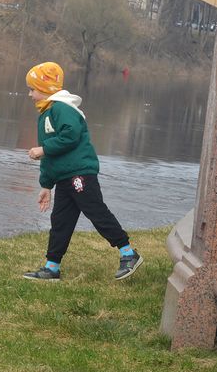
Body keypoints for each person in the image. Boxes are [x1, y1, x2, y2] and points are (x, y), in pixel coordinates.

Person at [21, 61, 143, 282]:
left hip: (80, 174)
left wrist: (43, 148)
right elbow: (50, 156)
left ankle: (128, 253)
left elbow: (71, 135)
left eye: (33, 89)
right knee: (60, 221)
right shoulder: (45, 114)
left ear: (46, 89)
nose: (30, 94)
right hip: (63, 179)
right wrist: (46, 185)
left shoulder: (62, 108)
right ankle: (52, 267)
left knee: (95, 211)